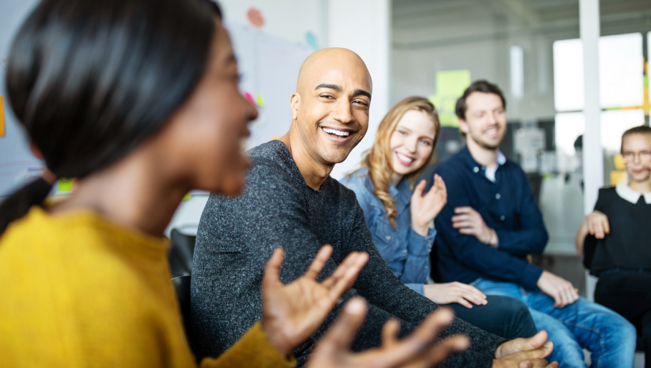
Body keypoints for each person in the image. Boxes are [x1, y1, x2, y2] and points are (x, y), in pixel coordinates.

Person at [0, 0, 473, 367]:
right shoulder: (79, 292)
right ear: (156, 102)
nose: (250, 109)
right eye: (230, 80)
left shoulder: (123, 252)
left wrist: (269, 346)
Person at [192, 48, 558, 368]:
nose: (346, 114)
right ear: (296, 104)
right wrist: (481, 362)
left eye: (360, 101)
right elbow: (333, 310)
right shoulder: (261, 177)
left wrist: (492, 349)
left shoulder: (340, 199)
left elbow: (388, 292)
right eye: (328, 96)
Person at [431, 79, 637, 368]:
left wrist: (493, 236)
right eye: (480, 114)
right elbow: (469, 252)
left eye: (498, 111)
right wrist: (538, 276)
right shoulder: (449, 176)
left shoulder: (514, 173)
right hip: (481, 290)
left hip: (524, 284)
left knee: (618, 330)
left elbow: (538, 237)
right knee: (562, 345)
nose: (492, 121)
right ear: (463, 123)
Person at [340, 95, 537, 340]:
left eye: (424, 141)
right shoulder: (356, 194)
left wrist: (420, 225)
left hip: (403, 307)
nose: (412, 148)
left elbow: (411, 280)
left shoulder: (406, 194)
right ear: (385, 130)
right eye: (403, 132)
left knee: (511, 314)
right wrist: (430, 291)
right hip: (374, 317)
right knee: (513, 314)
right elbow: (358, 289)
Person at [576, 125, 651, 368]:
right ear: (622, 158)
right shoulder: (607, 197)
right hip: (615, 287)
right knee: (615, 335)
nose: (636, 161)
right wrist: (589, 221)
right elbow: (582, 250)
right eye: (629, 154)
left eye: (645, 153)